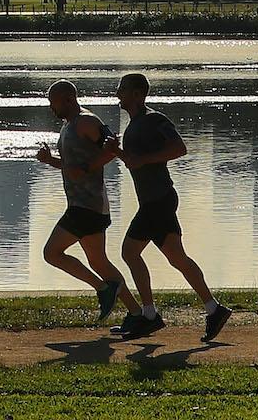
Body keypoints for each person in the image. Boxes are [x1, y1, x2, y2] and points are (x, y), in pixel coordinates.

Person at [104, 71, 230, 342]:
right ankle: (213, 309)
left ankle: (149, 316)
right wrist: (118, 153)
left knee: (130, 252)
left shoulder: (154, 119)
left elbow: (179, 148)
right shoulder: (134, 125)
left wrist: (144, 159)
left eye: (122, 89)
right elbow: (135, 162)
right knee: (176, 257)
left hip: (158, 200)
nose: (118, 94)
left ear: (138, 94)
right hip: (154, 200)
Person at [34, 80, 127, 322]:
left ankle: (103, 289)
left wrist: (86, 168)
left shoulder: (87, 122)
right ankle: (139, 313)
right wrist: (49, 160)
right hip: (83, 205)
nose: (50, 107)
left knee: (52, 253)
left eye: (52, 102)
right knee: (99, 262)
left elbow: (112, 149)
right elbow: (70, 168)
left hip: (87, 206)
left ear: (68, 99)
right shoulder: (68, 126)